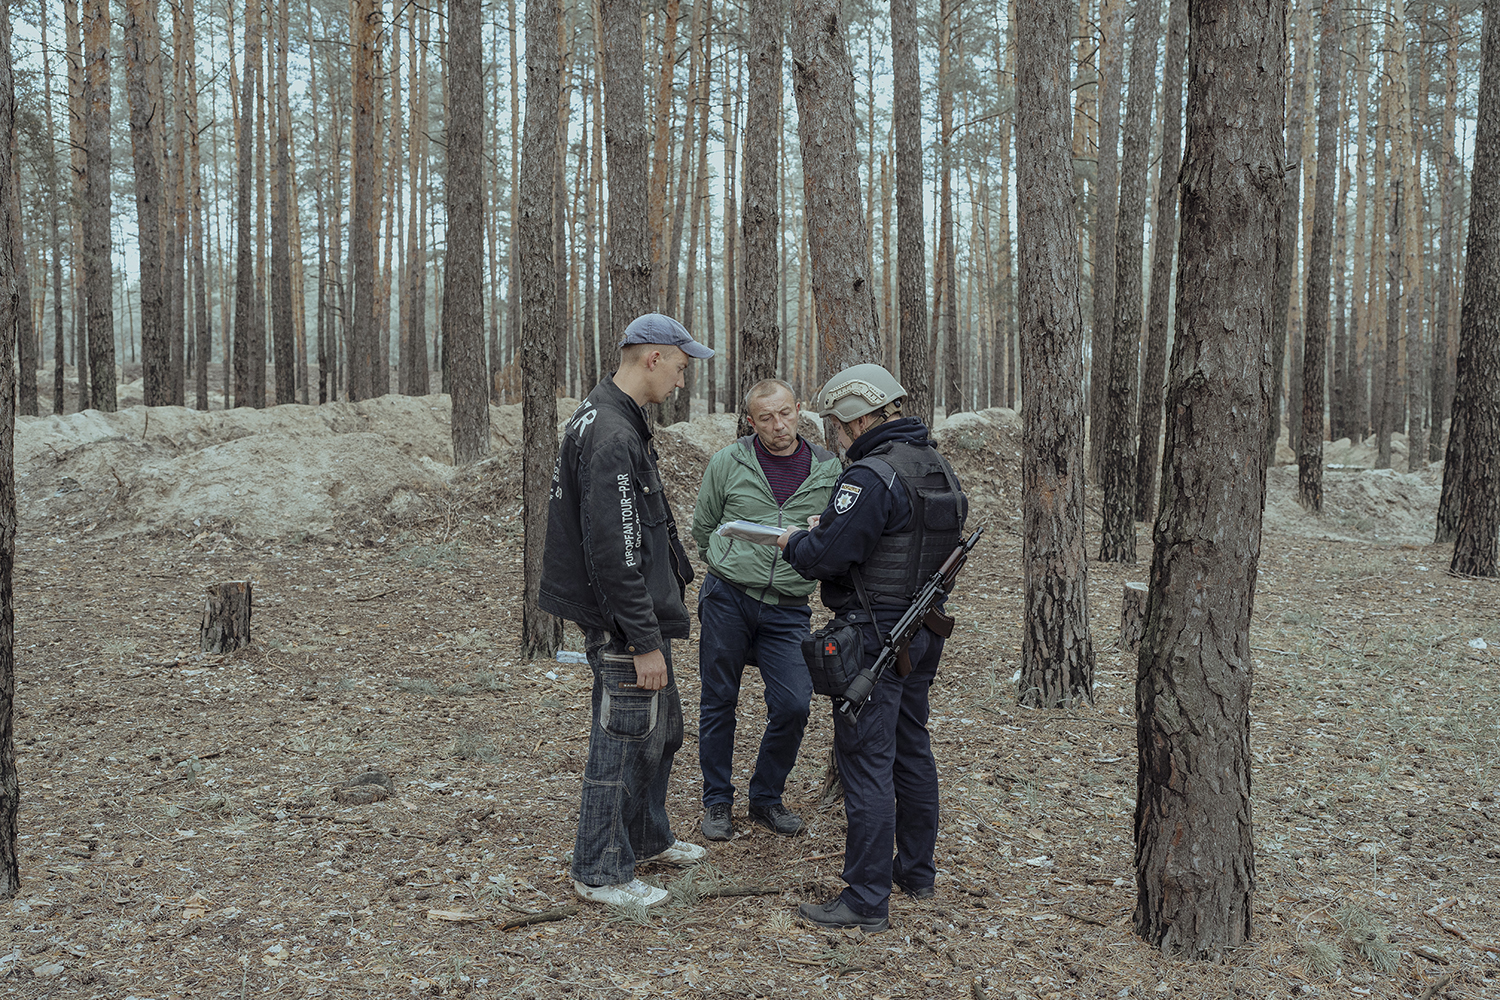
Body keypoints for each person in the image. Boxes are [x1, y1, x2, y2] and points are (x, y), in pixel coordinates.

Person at [775, 363, 967, 933]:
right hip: (922, 631)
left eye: (835, 424)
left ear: (858, 419)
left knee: (866, 761)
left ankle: (865, 899)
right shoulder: (937, 467)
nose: (833, 435)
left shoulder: (871, 477)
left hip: (873, 638)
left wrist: (796, 541)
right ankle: (917, 872)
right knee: (911, 747)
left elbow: (822, 558)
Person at [539, 313, 713, 909]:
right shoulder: (610, 430)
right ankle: (600, 871)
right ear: (652, 358)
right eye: (681, 368)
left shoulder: (614, 415)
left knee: (661, 732)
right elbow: (614, 551)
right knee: (621, 739)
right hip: (623, 622)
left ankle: (645, 838)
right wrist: (640, 640)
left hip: (642, 615)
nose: (682, 382)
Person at [690, 379, 841, 841]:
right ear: (750, 422)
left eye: (785, 414)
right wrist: (731, 564)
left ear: (800, 409)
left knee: (794, 704)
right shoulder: (728, 461)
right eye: (766, 418)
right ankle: (717, 802)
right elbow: (703, 528)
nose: (778, 426)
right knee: (719, 700)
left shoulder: (828, 469)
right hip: (728, 598)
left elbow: (834, 536)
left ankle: (766, 798)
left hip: (789, 607)